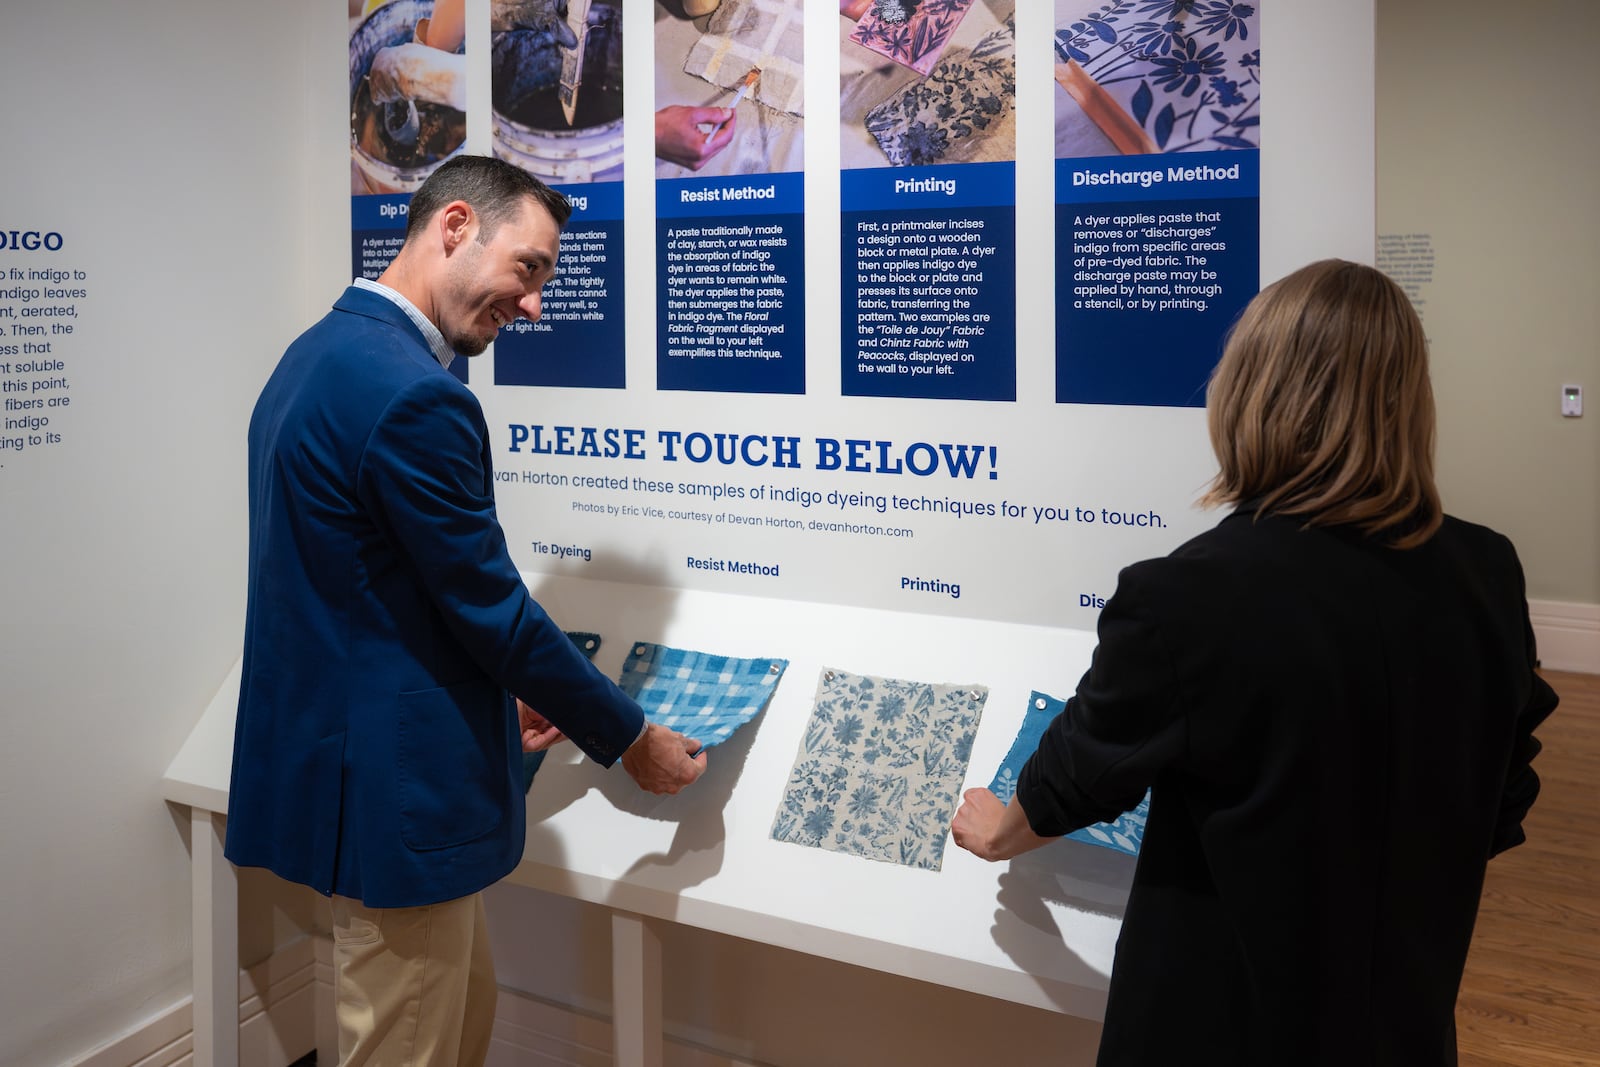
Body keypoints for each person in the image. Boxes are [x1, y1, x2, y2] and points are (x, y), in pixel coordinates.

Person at [952, 259, 1558, 1066]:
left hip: (1220, 1021)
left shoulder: (1190, 594)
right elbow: (1505, 784)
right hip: (1406, 1017)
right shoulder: (1487, 569)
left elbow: (1090, 755)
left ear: (1253, 393)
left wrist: (1003, 830)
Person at [226, 154, 707, 1067]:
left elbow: (374, 594)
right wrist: (628, 736)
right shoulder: (416, 395)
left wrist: (503, 695)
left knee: (448, 1021)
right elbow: (491, 607)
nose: (534, 304)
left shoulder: (319, 352)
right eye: (528, 268)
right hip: (396, 799)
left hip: (346, 772)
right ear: (454, 226)